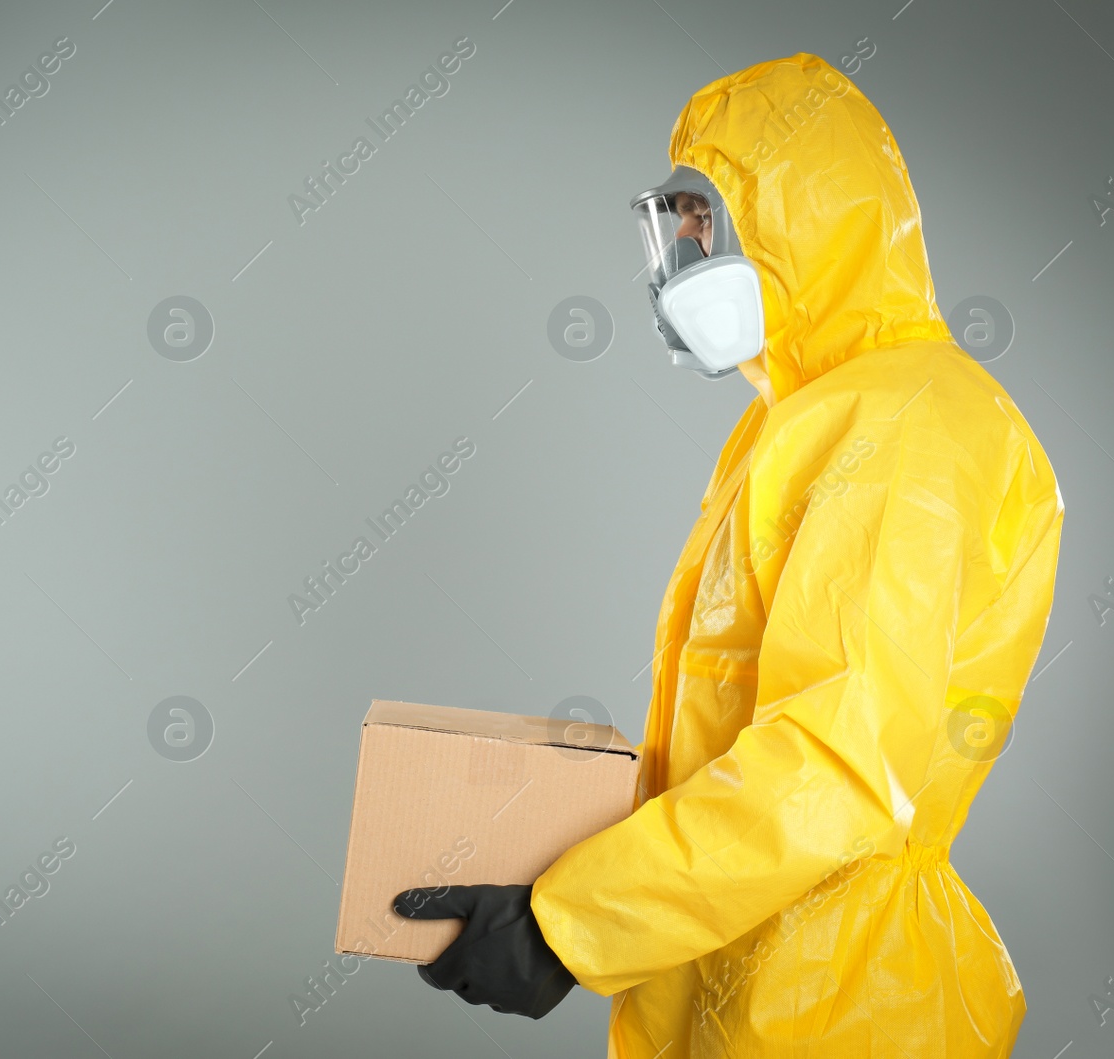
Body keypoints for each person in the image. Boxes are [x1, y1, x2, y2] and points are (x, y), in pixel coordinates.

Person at [394, 52, 1063, 1057]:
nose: (677, 255)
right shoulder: (803, 420)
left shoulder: (903, 427)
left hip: (843, 1002)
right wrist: (549, 854)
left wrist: (566, 925)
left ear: (801, 216)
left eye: (701, 220)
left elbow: (832, 762)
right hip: (744, 964)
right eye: (674, 225)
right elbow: (737, 720)